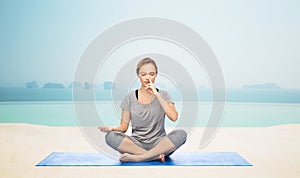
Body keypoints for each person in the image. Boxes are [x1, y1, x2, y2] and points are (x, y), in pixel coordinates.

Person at [98, 58, 187, 162]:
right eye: (144, 74)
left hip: (160, 144)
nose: (147, 78)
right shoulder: (130, 98)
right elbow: (123, 127)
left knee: (181, 134)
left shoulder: (164, 95)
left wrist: (156, 94)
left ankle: (140, 158)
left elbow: (174, 117)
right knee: (110, 137)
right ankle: (153, 156)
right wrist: (111, 128)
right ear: (138, 76)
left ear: (156, 75)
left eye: (151, 74)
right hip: (136, 144)